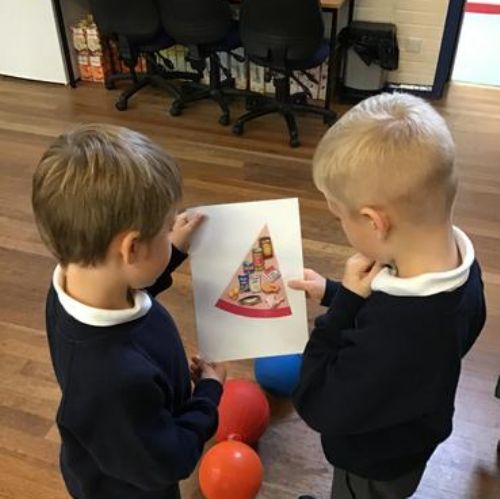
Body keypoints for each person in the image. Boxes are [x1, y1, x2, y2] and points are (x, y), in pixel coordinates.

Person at [289, 93, 487, 498]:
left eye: (339, 217)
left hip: (371, 464)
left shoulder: (396, 335)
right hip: (412, 437)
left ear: (374, 222)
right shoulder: (461, 268)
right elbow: (399, 309)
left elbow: (317, 401)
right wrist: (334, 292)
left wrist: (342, 309)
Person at [31, 123, 225, 499]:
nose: (172, 232)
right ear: (132, 248)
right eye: (166, 228)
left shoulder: (72, 287)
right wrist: (208, 395)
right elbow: (172, 460)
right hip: (133, 486)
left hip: (123, 441)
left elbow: (133, 281)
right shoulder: (115, 379)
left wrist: (173, 250)